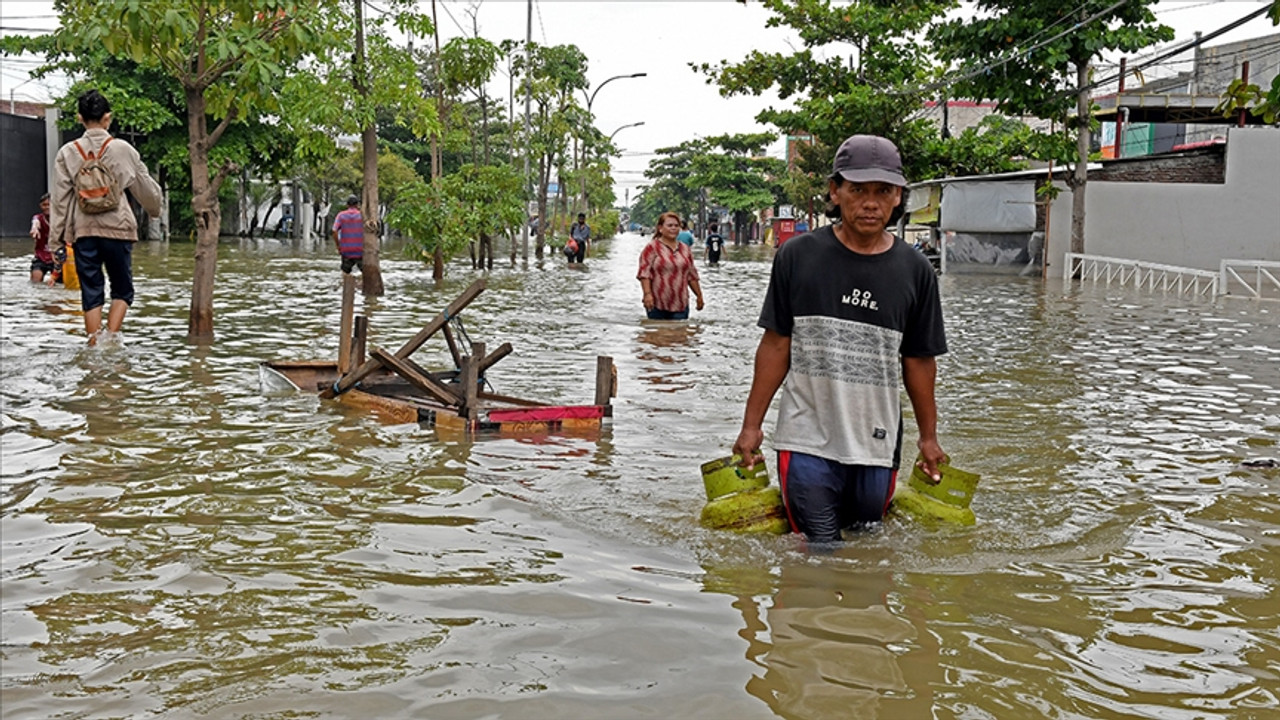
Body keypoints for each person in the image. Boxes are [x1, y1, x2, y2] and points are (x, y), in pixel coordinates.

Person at [731, 134, 948, 544]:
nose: (870, 203)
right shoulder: (797, 257)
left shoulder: (916, 270)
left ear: (899, 197)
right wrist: (751, 426)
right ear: (835, 191)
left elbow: (919, 361)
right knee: (820, 550)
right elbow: (776, 345)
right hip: (806, 438)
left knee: (868, 559)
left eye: (883, 191)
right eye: (857, 190)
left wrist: (929, 437)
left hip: (877, 446)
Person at [49, 89, 162, 345]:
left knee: (91, 288)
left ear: (80, 118)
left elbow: (60, 201)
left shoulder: (67, 152)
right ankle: (110, 338)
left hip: (83, 231)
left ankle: (93, 342)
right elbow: (145, 188)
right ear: (107, 118)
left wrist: (56, 241)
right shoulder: (124, 149)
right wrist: (156, 211)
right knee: (122, 289)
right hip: (118, 229)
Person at [637, 211, 705, 320]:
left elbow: (692, 275)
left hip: (680, 303)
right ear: (660, 228)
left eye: (676, 226)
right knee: (658, 334)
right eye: (669, 225)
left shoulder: (685, 249)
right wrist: (647, 294)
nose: (673, 228)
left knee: (680, 334)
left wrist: (699, 296)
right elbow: (644, 274)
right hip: (657, 303)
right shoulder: (652, 247)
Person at [332, 194, 363, 274]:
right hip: (360, 250)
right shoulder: (362, 215)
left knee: (345, 274)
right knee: (365, 274)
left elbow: (334, 231)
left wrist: (338, 246)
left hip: (346, 250)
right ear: (357, 205)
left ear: (347, 205)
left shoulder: (341, 215)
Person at [29, 193, 55, 283]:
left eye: (49, 205)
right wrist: (34, 228)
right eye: (44, 205)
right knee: (35, 282)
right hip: (41, 257)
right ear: (40, 206)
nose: (47, 207)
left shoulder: (60, 220)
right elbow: (35, 222)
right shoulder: (38, 218)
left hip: (57, 258)